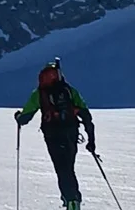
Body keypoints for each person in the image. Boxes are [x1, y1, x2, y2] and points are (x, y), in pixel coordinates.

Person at [14, 59, 96, 210]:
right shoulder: (70, 91)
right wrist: (91, 142)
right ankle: (72, 199)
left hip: (52, 136)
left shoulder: (39, 93)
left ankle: (70, 200)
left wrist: (18, 117)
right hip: (71, 133)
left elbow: (25, 118)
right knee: (68, 167)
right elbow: (86, 116)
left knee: (61, 168)